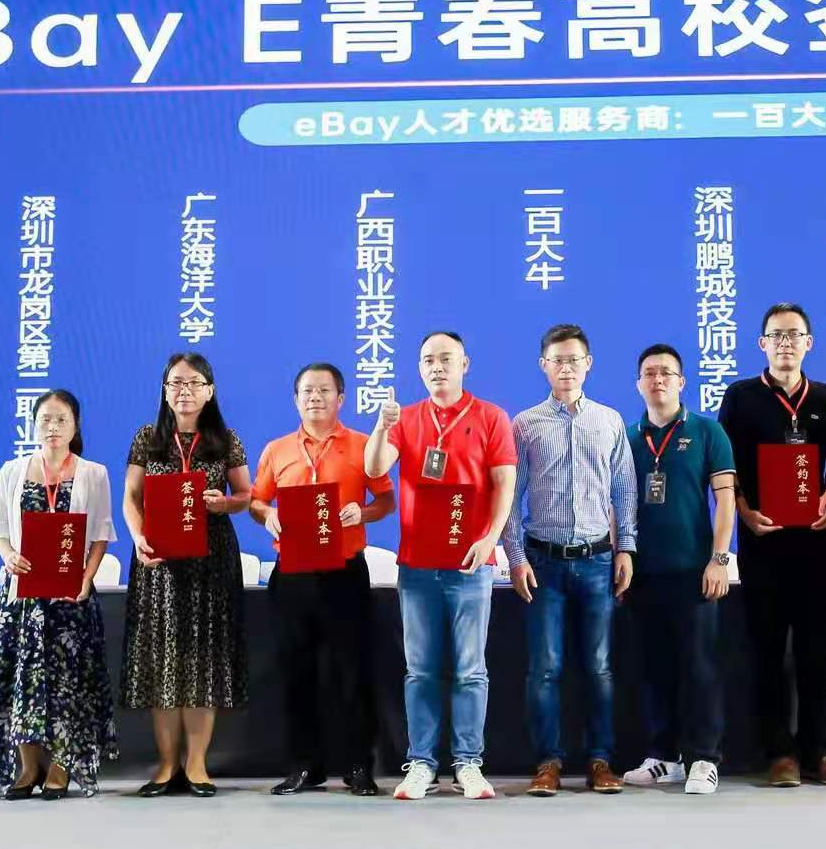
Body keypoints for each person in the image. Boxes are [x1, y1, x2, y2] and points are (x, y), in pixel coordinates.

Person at [364, 331, 517, 800]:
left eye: (446, 359)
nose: (437, 367)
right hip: (417, 567)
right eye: (428, 360)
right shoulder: (407, 419)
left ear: (464, 364)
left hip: (471, 565)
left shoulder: (491, 417)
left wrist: (490, 539)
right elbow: (374, 469)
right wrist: (381, 427)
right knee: (421, 670)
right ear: (419, 368)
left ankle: (468, 763)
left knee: (471, 670)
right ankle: (422, 763)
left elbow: (505, 483)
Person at [717, 302, 826, 787]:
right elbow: (725, 467)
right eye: (776, 335)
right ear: (762, 344)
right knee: (768, 650)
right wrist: (744, 511)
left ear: (809, 343)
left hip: (816, 541)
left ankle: (820, 751)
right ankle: (779, 754)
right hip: (764, 541)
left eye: (794, 334)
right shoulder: (741, 397)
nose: (785, 343)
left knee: (816, 650)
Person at [503, 323, 638, 797]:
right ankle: (548, 762)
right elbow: (509, 498)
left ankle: (600, 760)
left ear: (589, 364)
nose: (566, 368)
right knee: (545, 668)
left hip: (598, 560)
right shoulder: (525, 425)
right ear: (544, 365)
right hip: (544, 562)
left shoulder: (609, 421)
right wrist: (515, 557)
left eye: (574, 359)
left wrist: (626, 549)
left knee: (599, 667)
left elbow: (625, 491)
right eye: (557, 360)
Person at [250, 362, 396, 797]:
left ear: (341, 398)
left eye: (324, 391)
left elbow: (386, 500)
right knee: (297, 671)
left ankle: (358, 766)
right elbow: (256, 501)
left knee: (352, 670)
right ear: (296, 400)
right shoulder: (277, 450)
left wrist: (362, 513)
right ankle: (303, 766)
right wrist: (269, 515)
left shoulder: (362, 445)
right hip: (293, 573)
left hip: (344, 572)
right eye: (307, 391)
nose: (315, 398)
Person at [121, 352, 252, 798]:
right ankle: (166, 766)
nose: (184, 391)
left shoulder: (225, 440)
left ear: (209, 391)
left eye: (194, 383)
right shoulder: (147, 438)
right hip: (158, 562)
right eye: (176, 383)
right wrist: (138, 537)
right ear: (164, 391)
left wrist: (224, 503)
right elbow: (131, 497)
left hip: (210, 561)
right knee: (162, 660)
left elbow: (246, 495)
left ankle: (196, 764)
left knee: (203, 660)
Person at [0, 388, 118, 800]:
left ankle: (61, 766)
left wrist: (86, 579)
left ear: (75, 426)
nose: (52, 427)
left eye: (61, 420)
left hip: (71, 596)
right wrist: (8, 556)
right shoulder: (12, 471)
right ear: (33, 425)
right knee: (22, 677)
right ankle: (28, 767)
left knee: (68, 680)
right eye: (45, 420)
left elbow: (101, 533)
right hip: (23, 597)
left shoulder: (93, 473)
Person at [621, 344, 736, 795]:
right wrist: (621, 556)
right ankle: (663, 757)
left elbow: (725, 499)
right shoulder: (628, 437)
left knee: (699, 667)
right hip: (644, 573)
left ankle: (704, 757)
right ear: (638, 384)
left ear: (682, 382)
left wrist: (719, 558)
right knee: (654, 668)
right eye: (649, 373)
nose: (658, 380)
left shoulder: (707, 431)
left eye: (667, 373)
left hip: (695, 572)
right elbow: (617, 504)